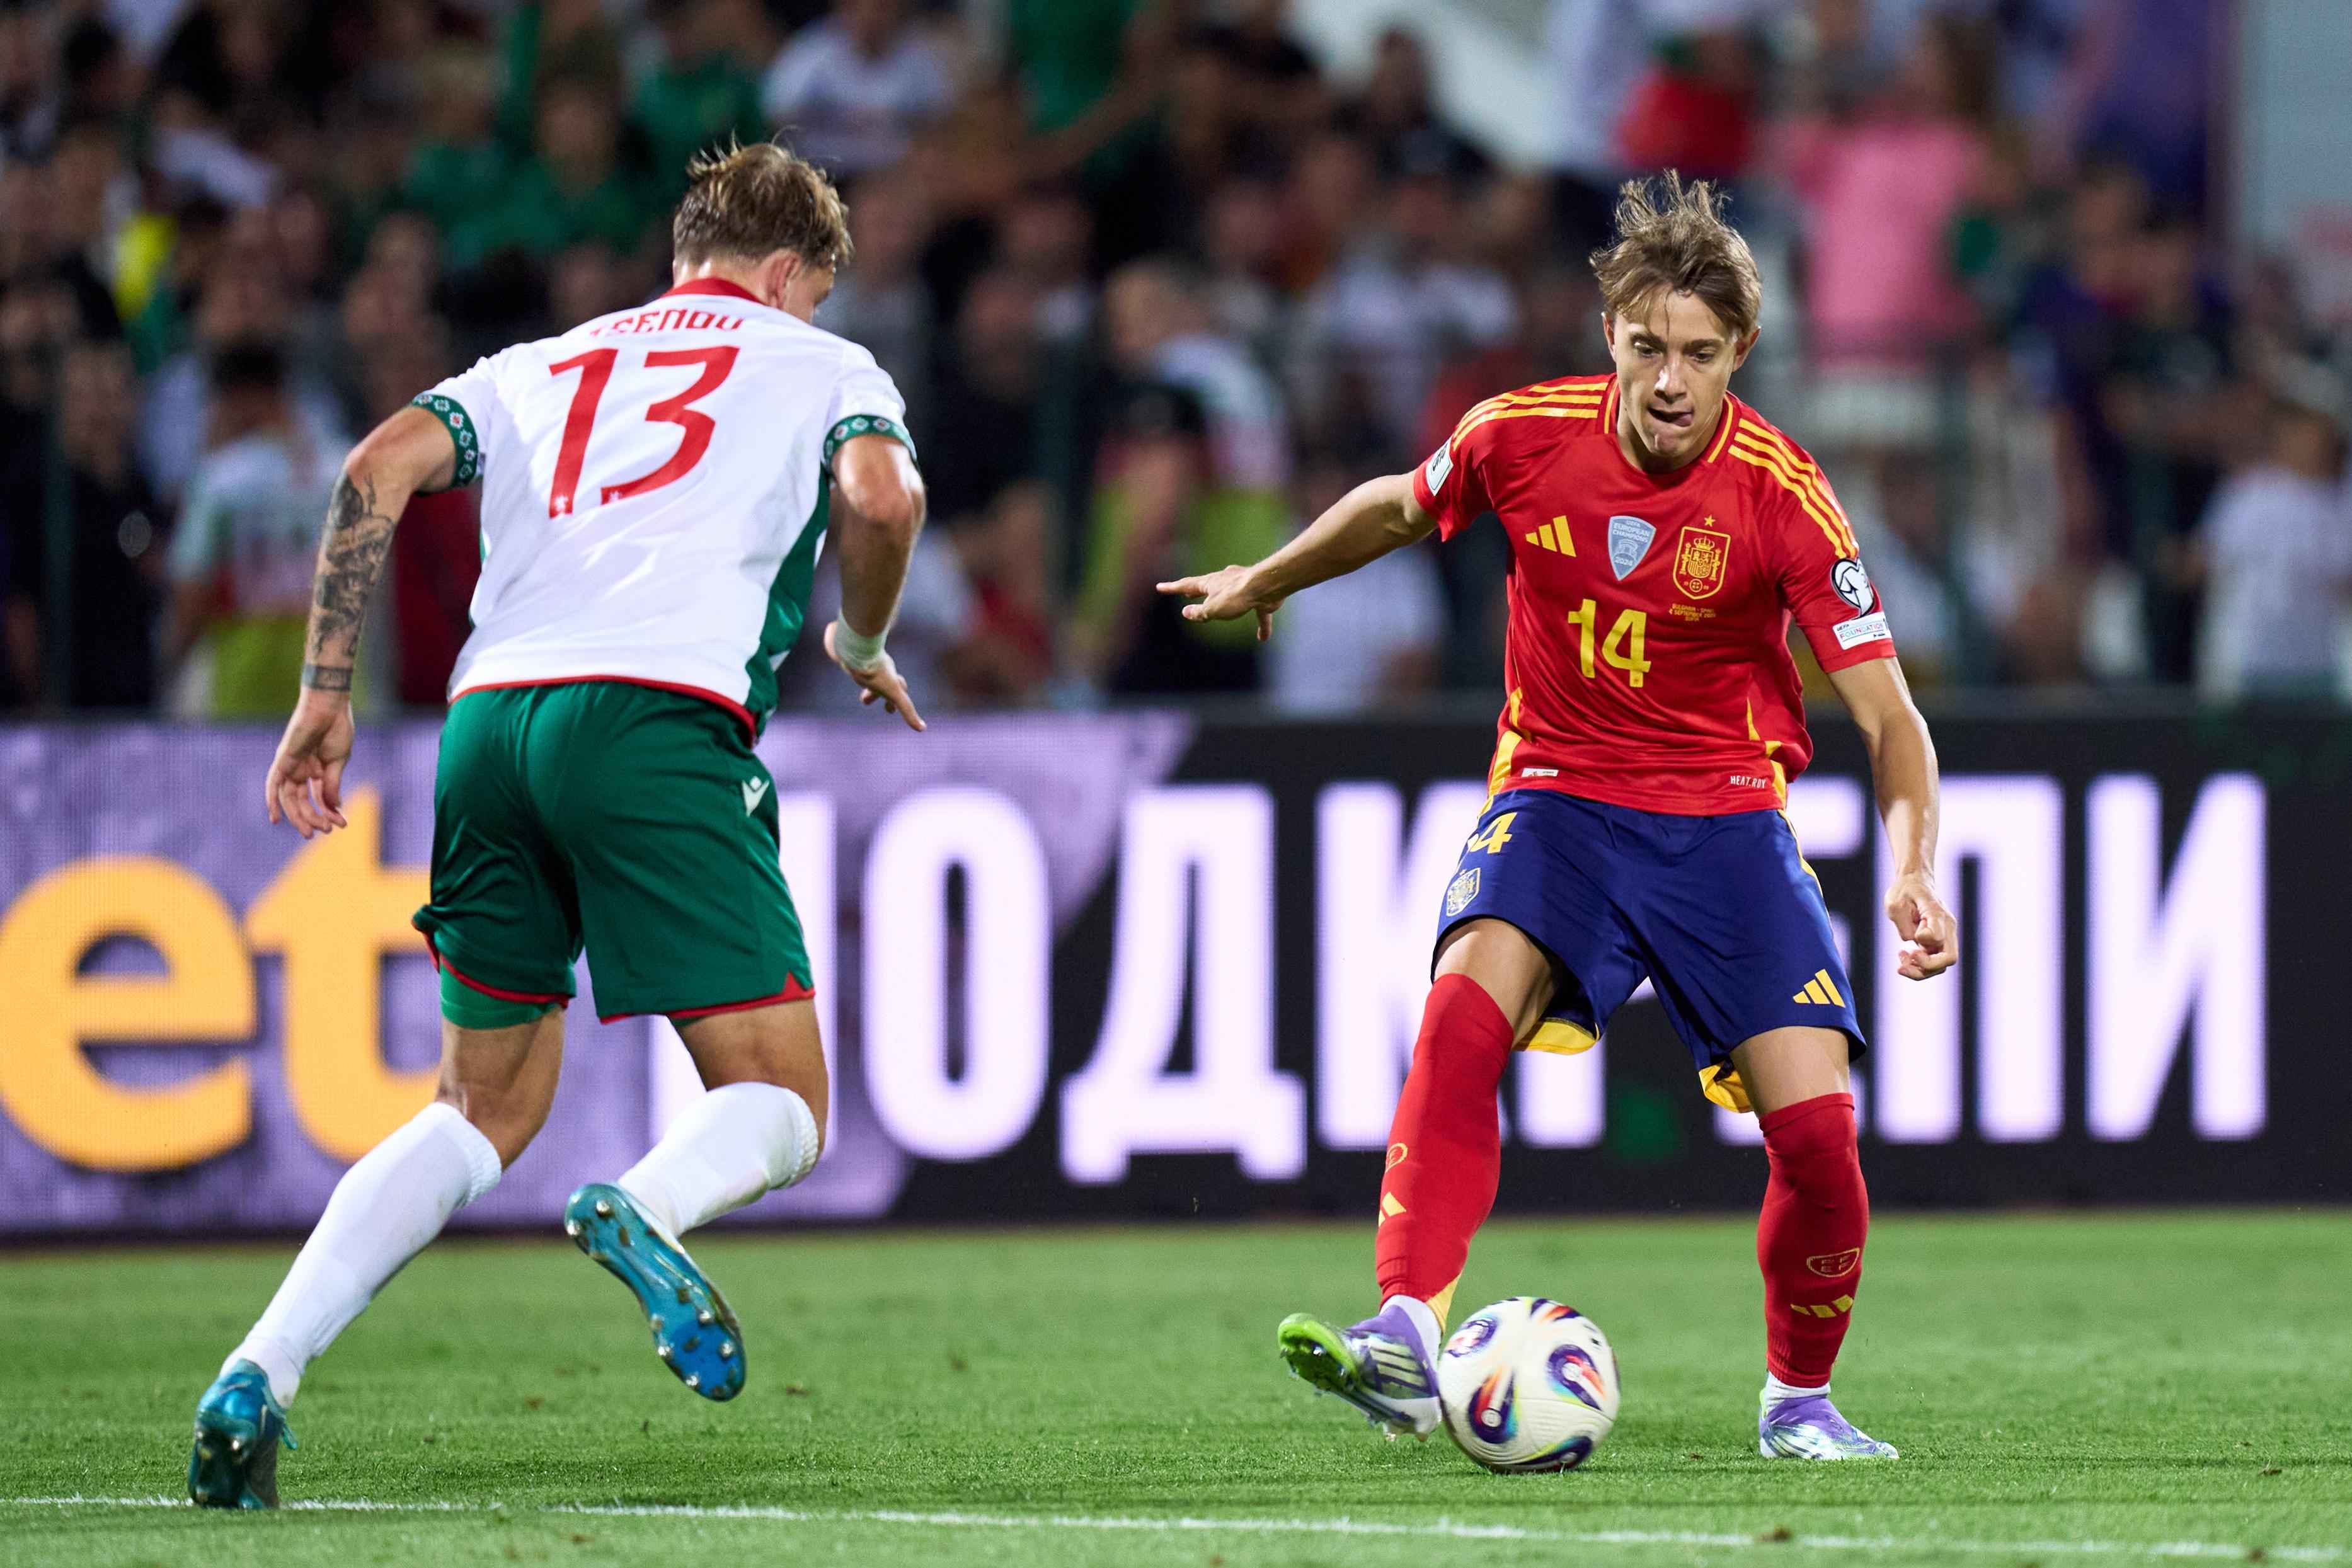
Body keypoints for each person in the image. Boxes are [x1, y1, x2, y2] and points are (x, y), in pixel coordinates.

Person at [1162, 174, 1959, 1462]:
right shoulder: (1519, 435)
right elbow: (1395, 503)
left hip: (1724, 826)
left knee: (1817, 1139)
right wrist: (1271, 575)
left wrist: (1915, 869)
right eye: (1646, 346)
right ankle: (1407, 1335)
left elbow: (1892, 721)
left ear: (1738, 357)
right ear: (1611, 339)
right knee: (1461, 1012)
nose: (1667, 379)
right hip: (1559, 798)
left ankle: (1798, 1405)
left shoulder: (1783, 496)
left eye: (1698, 355)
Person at [188, 141, 929, 1509]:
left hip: (487, 726)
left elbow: (374, 468)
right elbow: (882, 498)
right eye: (812, 294)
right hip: (653, 723)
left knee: (478, 1106)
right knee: (784, 1101)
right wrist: (861, 632)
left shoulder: (542, 361)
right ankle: (643, 1205)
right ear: (784, 275)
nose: (813, 317)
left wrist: (323, 694)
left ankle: (257, 1370)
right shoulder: (824, 368)